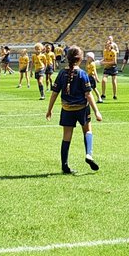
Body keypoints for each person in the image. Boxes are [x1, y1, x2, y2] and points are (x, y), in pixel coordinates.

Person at [46, 46, 103, 175]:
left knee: (66, 137)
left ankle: (64, 165)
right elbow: (88, 94)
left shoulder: (61, 73)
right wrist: (96, 111)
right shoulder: (82, 74)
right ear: (80, 59)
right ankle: (89, 154)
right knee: (87, 130)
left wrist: (49, 110)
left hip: (66, 109)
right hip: (81, 109)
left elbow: (54, 93)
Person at [100, 36, 120, 102]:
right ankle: (103, 94)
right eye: (106, 45)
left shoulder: (113, 52)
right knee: (103, 80)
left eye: (107, 45)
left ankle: (115, 95)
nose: (106, 46)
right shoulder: (105, 51)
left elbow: (114, 62)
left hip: (113, 68)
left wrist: (104, 62)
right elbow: (105, 58)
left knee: (114, 81)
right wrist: (101, 61)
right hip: (107, 67)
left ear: (110, 46)